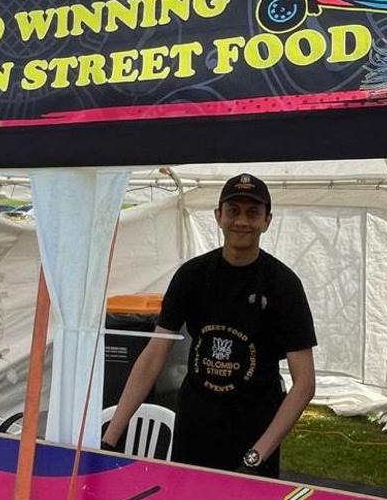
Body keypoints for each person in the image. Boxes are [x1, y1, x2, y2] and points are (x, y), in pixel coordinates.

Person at [104, 174, 316, 477]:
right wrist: (111, 439)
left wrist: (257, 456)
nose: (241, 221)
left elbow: (305, 383)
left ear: (267, 221)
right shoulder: (192, 276)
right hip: (194, 429)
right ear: (218, 216)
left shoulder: (284, 286)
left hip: (254, 431)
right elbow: (153, 357)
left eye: (252, 213)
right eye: (233, 211)